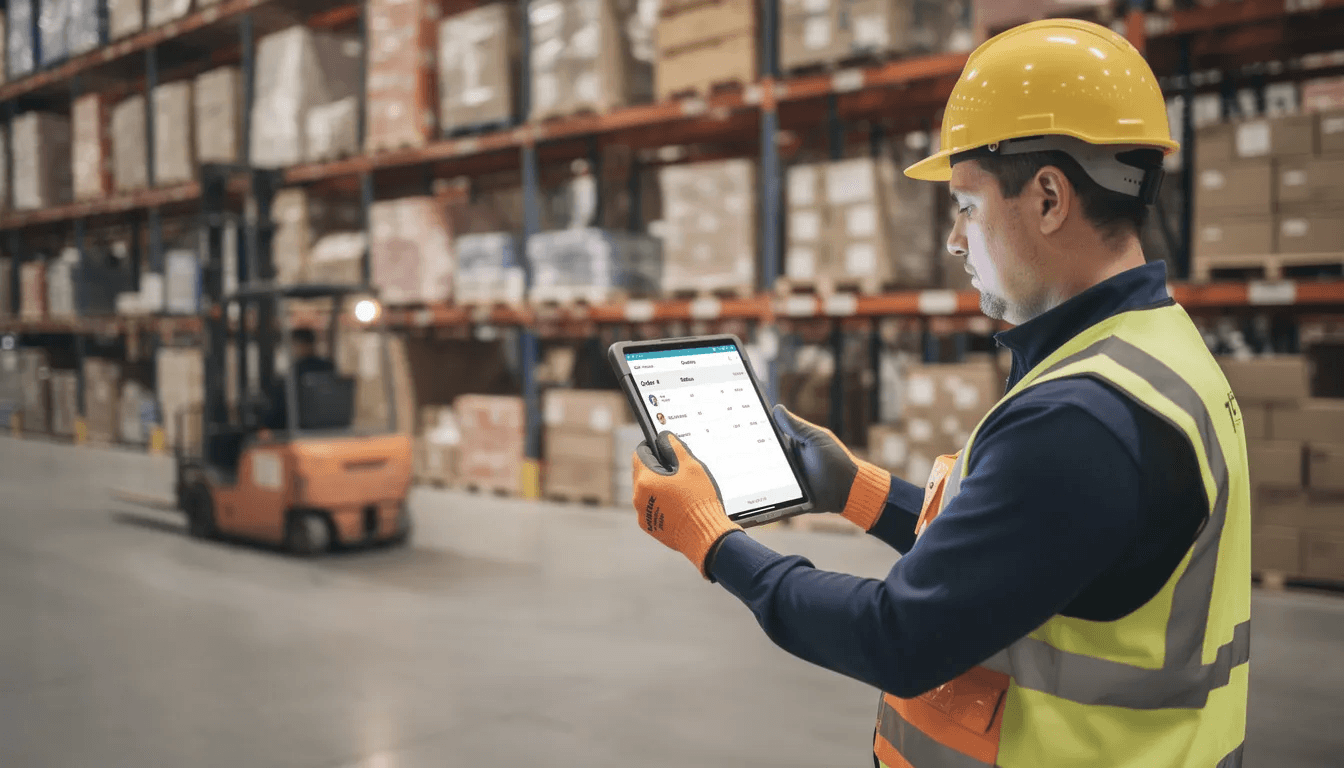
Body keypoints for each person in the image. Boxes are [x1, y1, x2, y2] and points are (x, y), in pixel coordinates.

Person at [629, 19, 1249, 768]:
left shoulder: (1082, 417)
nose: (955, 240)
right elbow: (1013, 558)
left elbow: (899, 636)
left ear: (1049, 198)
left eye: (967, 205)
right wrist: (856, 490)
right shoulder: (1153, 350)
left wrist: (711, 539)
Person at [263, 328, 335, 430]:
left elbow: (280, 406)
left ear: (300, 344)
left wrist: (266, 424)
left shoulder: (295, 372)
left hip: (298, 428)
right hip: (328, 427)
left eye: (293, 345)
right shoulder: (329, 367)